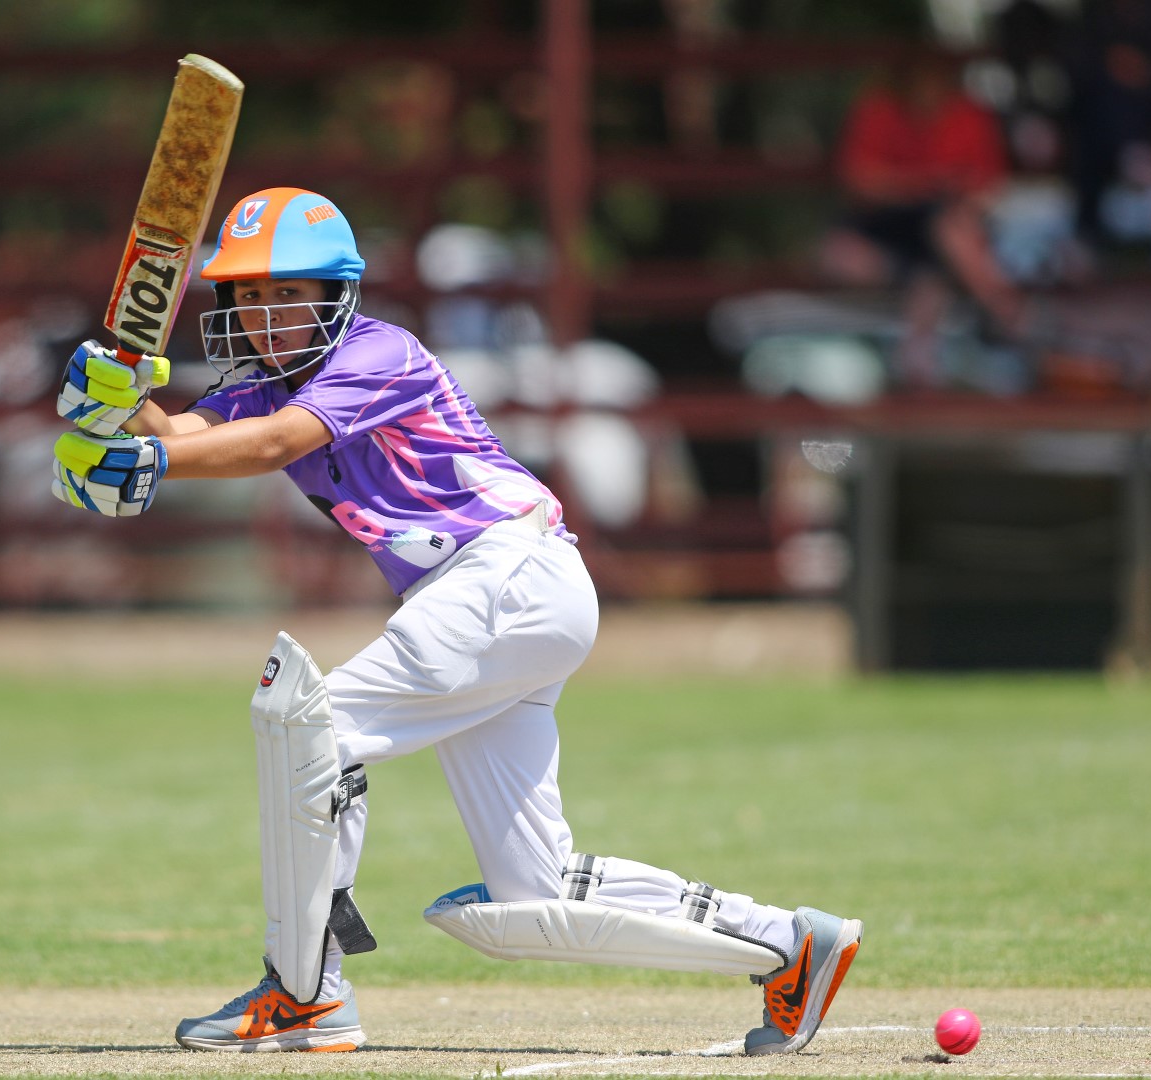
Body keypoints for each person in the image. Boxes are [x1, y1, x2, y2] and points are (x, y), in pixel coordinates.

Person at [51, 188, 862, 1055]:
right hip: (493, 600)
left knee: (308, 730)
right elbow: (184, 431)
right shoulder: (258, 385)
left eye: (289, 293)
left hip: (504, 575)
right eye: (250, 295)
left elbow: (271, 445)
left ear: (336, 296)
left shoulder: (377, 353)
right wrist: (113, 396)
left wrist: (149, 458)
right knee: (532, 890)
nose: (268, 314)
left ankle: (305, 993)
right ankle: (789, 944)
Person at [825, 59, 1027, 386]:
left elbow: (987, 188)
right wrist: (921, 184)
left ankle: (1007, 318)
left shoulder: (970, 115)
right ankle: (1005, 320)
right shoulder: (879, 109)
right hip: (891, 225)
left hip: (947, 228)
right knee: (846, 257)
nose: (927, 89)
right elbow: (859, 179)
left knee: (948, 237)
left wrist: (919, 187)